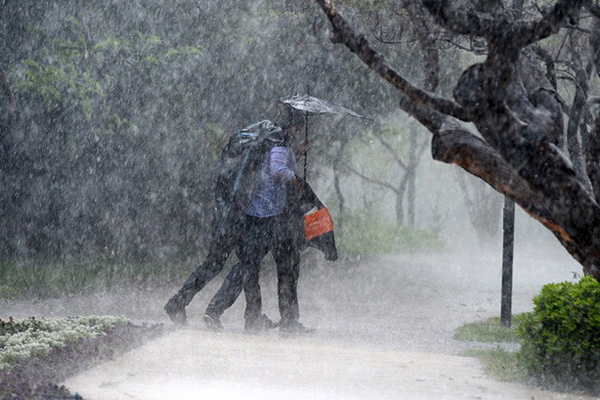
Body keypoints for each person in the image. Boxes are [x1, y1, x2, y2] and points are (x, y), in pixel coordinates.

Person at [164, 112, 312, 334]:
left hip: (235, 211)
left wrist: (297, 154)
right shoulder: (279, 141)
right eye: (297, 128)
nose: (298, 132)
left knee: (237, 265)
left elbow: (267, 169)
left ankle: (249, 316)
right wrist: (298, 182)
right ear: (293, 127)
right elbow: (277, 170)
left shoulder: (266, 138)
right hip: (251, 215)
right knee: (242, 265)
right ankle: (208, 309)